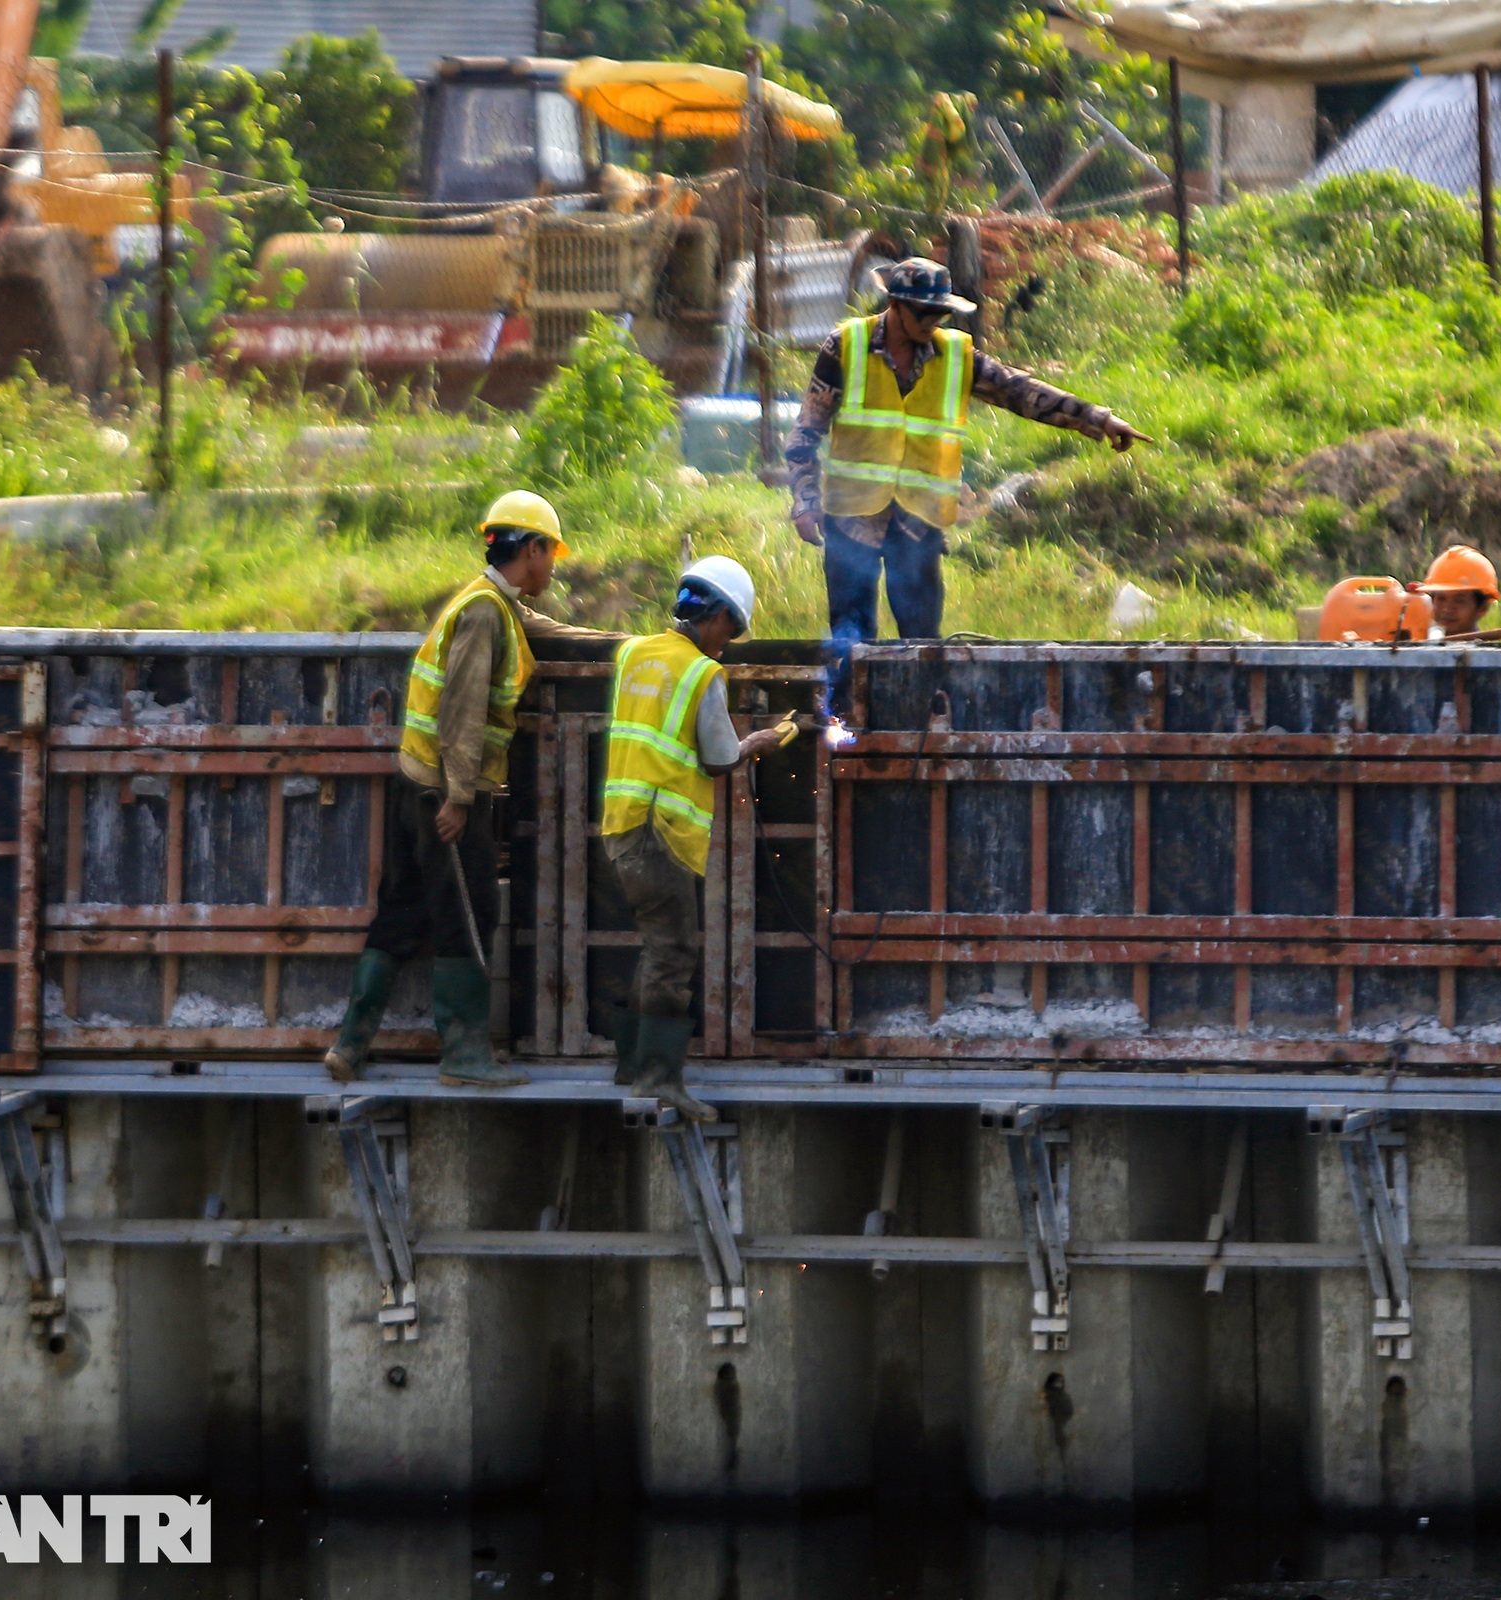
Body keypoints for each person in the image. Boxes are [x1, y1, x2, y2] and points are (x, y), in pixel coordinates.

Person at [323, 490, 622, 1088]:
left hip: (417, 782)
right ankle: (464, 1056)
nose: (554, 566)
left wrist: (631, 649)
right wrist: (461, 798)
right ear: (531, 549)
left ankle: (349, 1046)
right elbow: (461, 709)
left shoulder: (489, 602)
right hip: (446, 791)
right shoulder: (486, 614)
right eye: (551, 553)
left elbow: (550, 630)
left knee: (402, 913)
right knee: (468, 914)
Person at [784, 257, 1147, 645]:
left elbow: (1018, 391)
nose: (931, 324)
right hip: (851, 521)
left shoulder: (956, 356)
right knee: (849, 640)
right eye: (924, 314)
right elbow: (805, 434)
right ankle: (845, 707)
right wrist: (805, 502)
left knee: (922, 644)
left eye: (939, 315)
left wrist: (1097, 418)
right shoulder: (846, 346)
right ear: (895, 305)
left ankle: (920, 707)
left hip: (917, 523)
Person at [600, 555, 792, 1119]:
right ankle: (659, 1080)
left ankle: (631, 1064)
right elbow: (717, 759)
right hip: (662, 832)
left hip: (622, 825)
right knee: (675, 949)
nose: (729, 643)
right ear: (716, 616)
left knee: (656, 943)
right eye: (731, 629)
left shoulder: (635, 653)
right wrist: (758, 742)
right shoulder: (702, 673)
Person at [1415, 545, 1501, 638]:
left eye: (1459, 601)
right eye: (1441, 599)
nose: (1447, 609)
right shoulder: (1416, 647)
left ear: (1483, 608)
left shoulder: (1488, 652)